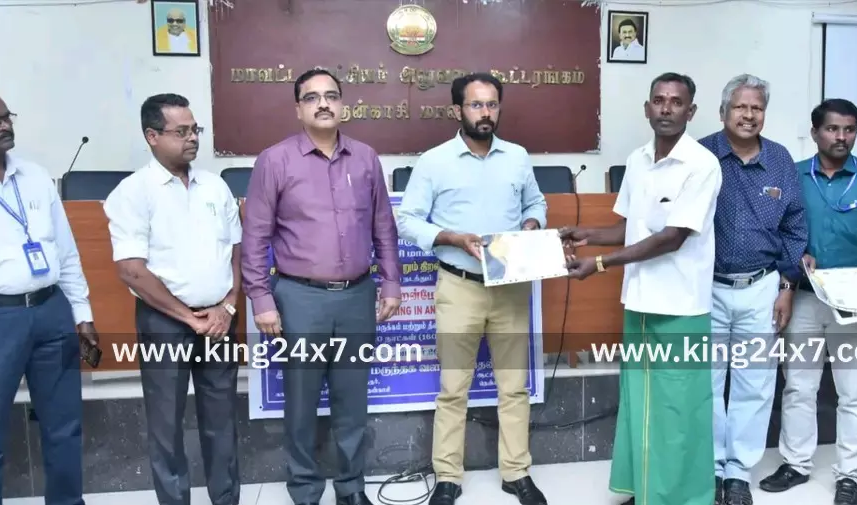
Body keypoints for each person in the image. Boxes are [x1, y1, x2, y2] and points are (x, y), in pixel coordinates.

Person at [242, 68, 402, 505]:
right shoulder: (275, 160)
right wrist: (260, 297)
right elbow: (255, 236)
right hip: (299, 299)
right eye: (312, 97)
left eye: (331, 95)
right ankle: (305, 488)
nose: (323, 104)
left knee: (352, 400)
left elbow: (383, 227)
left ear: (343, 104)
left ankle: (351, 488)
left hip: (357, 296)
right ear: (298, 108)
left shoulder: (366, 158)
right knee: (301, 401)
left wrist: (391, 282)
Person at [560, 72, 721, 505]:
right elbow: (630, 228)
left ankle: (683, 498)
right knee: (641, 402)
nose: (666, 108)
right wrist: (588, 235)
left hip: (681, 307)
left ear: (691, 111)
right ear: (647, 108)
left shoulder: (702, 164)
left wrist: (599, 263)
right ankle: (647, 490)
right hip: (639, 301)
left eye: (676, 102)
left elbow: (672, 238)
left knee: (679, 408)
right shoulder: (637, 160)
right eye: (659, 100)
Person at [395, 72, 548, 505]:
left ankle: (516, 472)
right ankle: (448, 477)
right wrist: (452, 238)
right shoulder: (434, 161)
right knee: (453, 388)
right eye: (476, 104)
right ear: (457, 110)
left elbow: (535, 202)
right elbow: (407, 220)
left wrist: (531, 223)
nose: (485, 113)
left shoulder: (517, 157)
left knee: (513, 387)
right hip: (459, 286)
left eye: (492, 104)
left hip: (510, 285)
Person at [758, 99, 857, 505]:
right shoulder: (791, 177)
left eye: (849, 129)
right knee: (799, 387)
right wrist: (794, 260)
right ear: (815, 133)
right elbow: (774, 233)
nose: (841, 137)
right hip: (804, 299)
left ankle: (850, 476)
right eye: (832, 129)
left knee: (854, 392)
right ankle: (796, 464)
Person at [103, 93, 242, 505]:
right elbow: (131, 270)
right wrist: (188, 317)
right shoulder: (133, 192)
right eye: (181, 131)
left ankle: (226, 499)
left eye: (195, 129)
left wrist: (227, 305)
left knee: (222, 419)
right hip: (165, 323)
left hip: (219, 320)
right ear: (152, 136)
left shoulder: (215, 186)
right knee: (166, 424)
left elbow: (236, 253)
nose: (192, 138)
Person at [0, 84, 99, 505]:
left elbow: (66, 252)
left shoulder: (36, 176)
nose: (4, 126)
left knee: (65, 428)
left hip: (51, 312)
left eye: (6, 116)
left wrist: (82, 314)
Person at [698, 74, 807, 505]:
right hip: (705, 287)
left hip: (762, 286)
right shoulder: (700, 155)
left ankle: (738, 473)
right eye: (740, 107)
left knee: (755, 384)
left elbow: (795, 226)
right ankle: (709, 468)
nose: (748, 115)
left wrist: (787, 285)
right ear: (723, 111)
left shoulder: (779, 159)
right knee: (705, 382)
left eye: (756, 108)